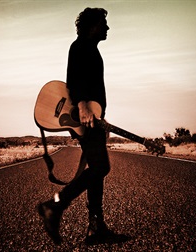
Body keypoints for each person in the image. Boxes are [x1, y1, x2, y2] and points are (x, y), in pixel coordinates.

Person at [37, 7, 128, 245]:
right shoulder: (80, 47)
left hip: (92, 118)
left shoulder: (92, 51)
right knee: (101, 167)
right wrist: (83, 106)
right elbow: (74, 79)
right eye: (103, 23)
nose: (107, 28)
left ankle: (95, 228)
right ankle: (55, 205)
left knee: (97, 171)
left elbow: (89, 86)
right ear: (92, 26)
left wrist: (99, 115)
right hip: (85, 117)